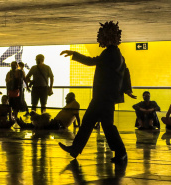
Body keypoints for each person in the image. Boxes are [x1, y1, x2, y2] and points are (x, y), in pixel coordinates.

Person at [58, 21, 137, 163]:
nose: (99, 39)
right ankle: (76, 149)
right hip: (105, 97)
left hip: (103, 97)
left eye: (101, 36)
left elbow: (91, 61)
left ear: (107, 37)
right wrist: (127, 89)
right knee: (91, 122)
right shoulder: (118, 55)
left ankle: (121, 152)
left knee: (105, 125)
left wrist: (74, 54)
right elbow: (126, 71)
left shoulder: (109, 53)